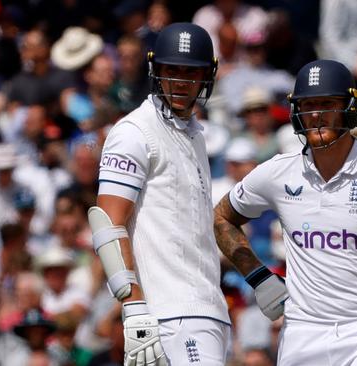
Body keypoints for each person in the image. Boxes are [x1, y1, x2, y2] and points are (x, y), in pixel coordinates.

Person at [214, 59, 357, 365]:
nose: (316, 115)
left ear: (350, 108)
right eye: (308, 105)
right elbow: (221, 217)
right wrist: (259, 277)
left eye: (327, 104)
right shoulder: (278, 171)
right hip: (301, 331)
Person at [88, 23, 230, 366]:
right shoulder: (134, 131)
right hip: (166, 315)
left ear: (206, 76)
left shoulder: (194, 134)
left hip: (204, 310)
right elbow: (107, 225)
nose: (181, 81)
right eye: (172, 70)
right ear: (156, 71)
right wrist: (134, 307)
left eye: (191, 71)